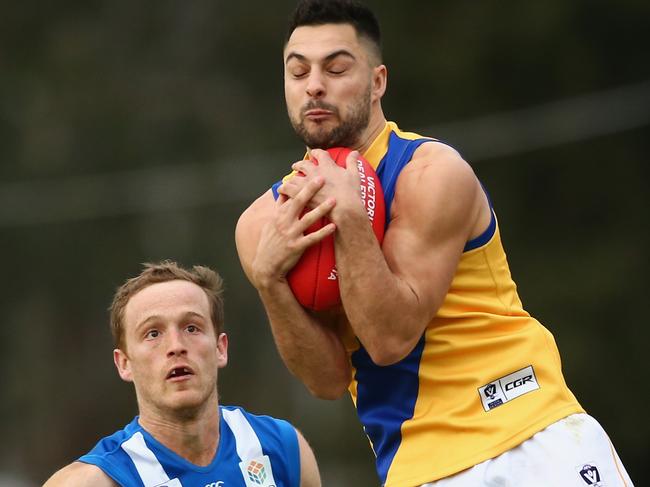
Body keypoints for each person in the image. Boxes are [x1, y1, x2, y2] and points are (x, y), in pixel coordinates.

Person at [235, 1, 634, 486]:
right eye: (298, 72)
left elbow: (390, 339)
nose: (314, 85)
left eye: (336, 68)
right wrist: (269, 282)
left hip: (528, 430)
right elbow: (326, 381)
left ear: (378, 81)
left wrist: (350, 219)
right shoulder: (262, 224)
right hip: (419, 468)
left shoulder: (431, 172)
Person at [43, 261, 321, 487]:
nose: (176, 346)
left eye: (191, 328)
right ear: (124, 363)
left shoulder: (284, 448)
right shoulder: (93, 481)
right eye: (153, 333)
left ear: (220, 348)